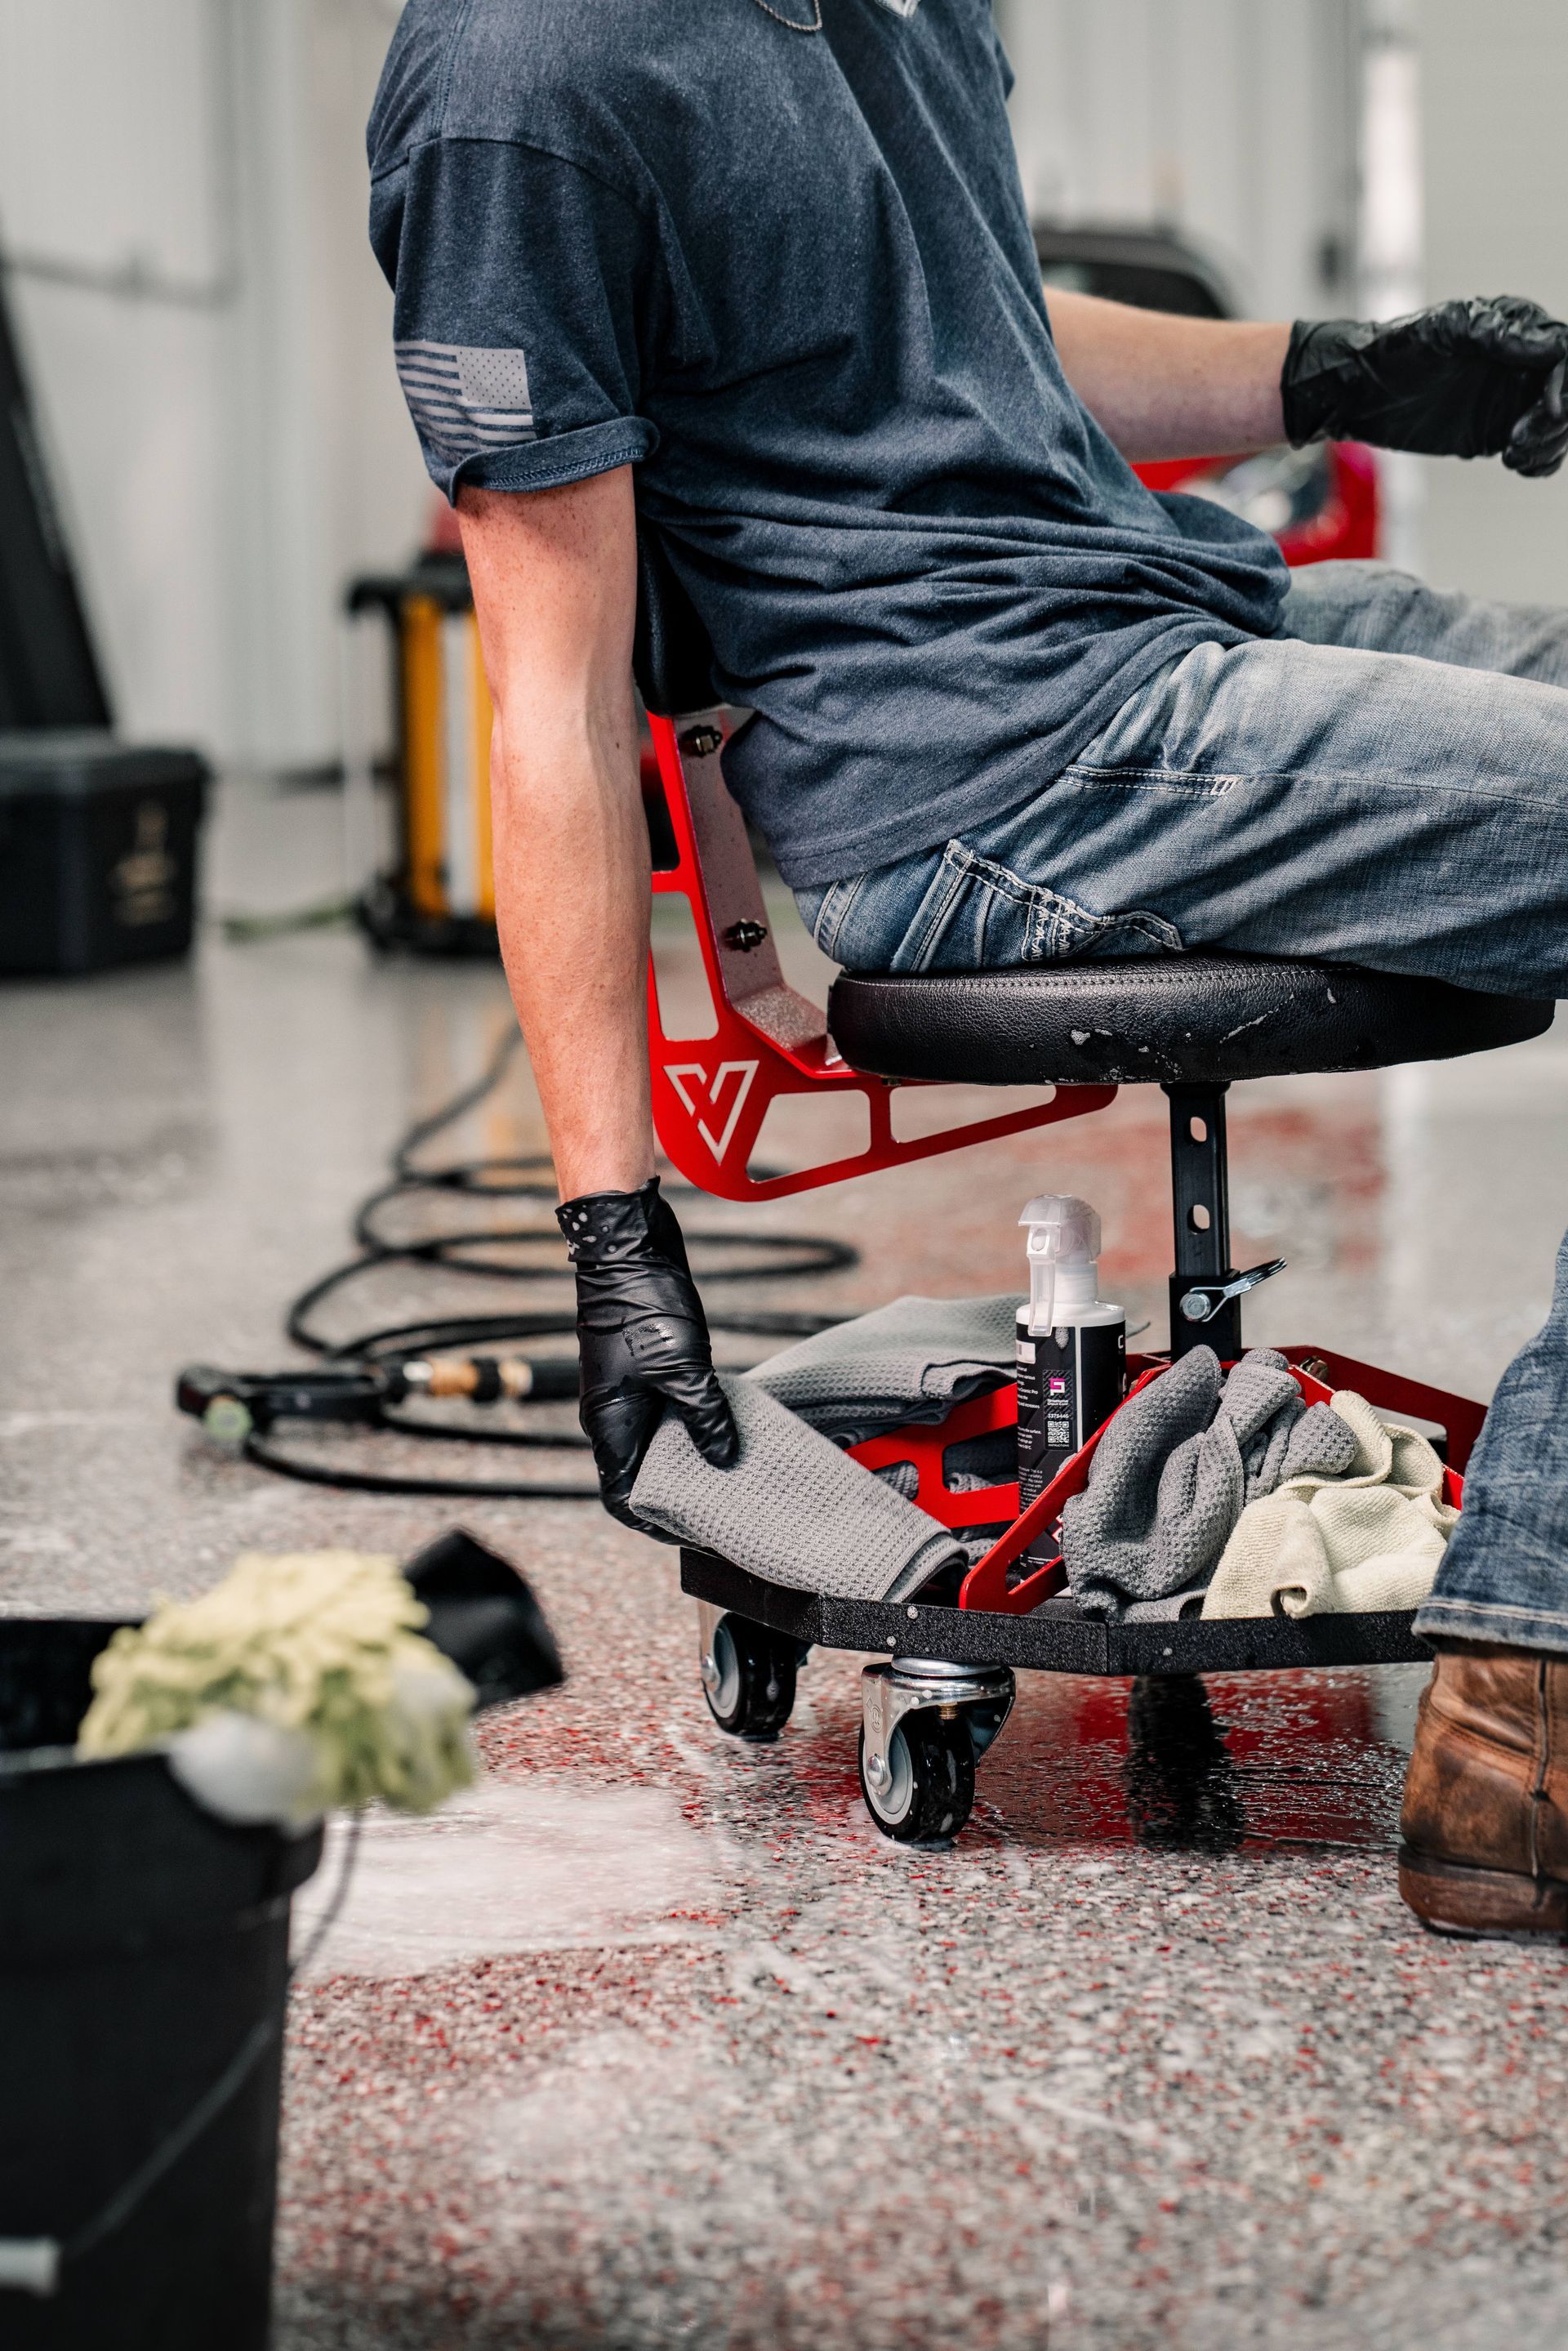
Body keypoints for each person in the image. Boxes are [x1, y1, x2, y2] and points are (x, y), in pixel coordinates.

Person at [368, 0, 1568, 1938]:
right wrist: (612, 1231)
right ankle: (1533, 1699)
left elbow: (974, 330)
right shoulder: (530, 84)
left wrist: (1340, 373)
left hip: (1176, 611)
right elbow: (550, 696)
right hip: (981, 769)